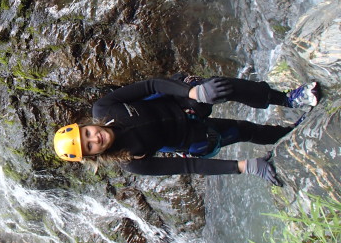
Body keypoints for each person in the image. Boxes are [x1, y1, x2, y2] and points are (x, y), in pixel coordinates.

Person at [53, 75, 321, 186]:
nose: (94, 138)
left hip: (185, 102)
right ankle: (292, 134)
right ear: (93, 155)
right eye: (89, 146)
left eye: (86, 134)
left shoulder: (105, 107)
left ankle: (287, 99)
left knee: (218, 87)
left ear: (86, 126)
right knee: (243, 130)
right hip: (194, 138)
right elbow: (190, 167)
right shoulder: (131, 162)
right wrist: (243, 166)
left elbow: (151, 86)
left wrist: (191, 91)